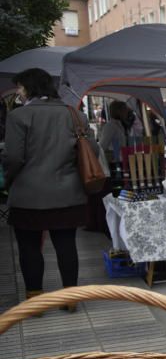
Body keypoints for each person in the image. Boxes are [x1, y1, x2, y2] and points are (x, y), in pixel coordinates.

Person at [3, 68, 100, 311]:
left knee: (29, 247)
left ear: (30, 88)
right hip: (67, 194)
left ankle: (35, 300)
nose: (19, 92)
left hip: (28, 195)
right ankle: (70, 298)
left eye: (21, 88)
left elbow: (14, 157)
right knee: (66, 245)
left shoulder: (19, 117)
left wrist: (8, 181)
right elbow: (93, 152)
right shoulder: (74, 115)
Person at [99, 100, 129, 170]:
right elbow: (102, 146)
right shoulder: (110, 126)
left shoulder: (120, 124)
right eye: (125, 110)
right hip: (114, 162)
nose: (127, 112)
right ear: (119, 111)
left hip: (121, 160)